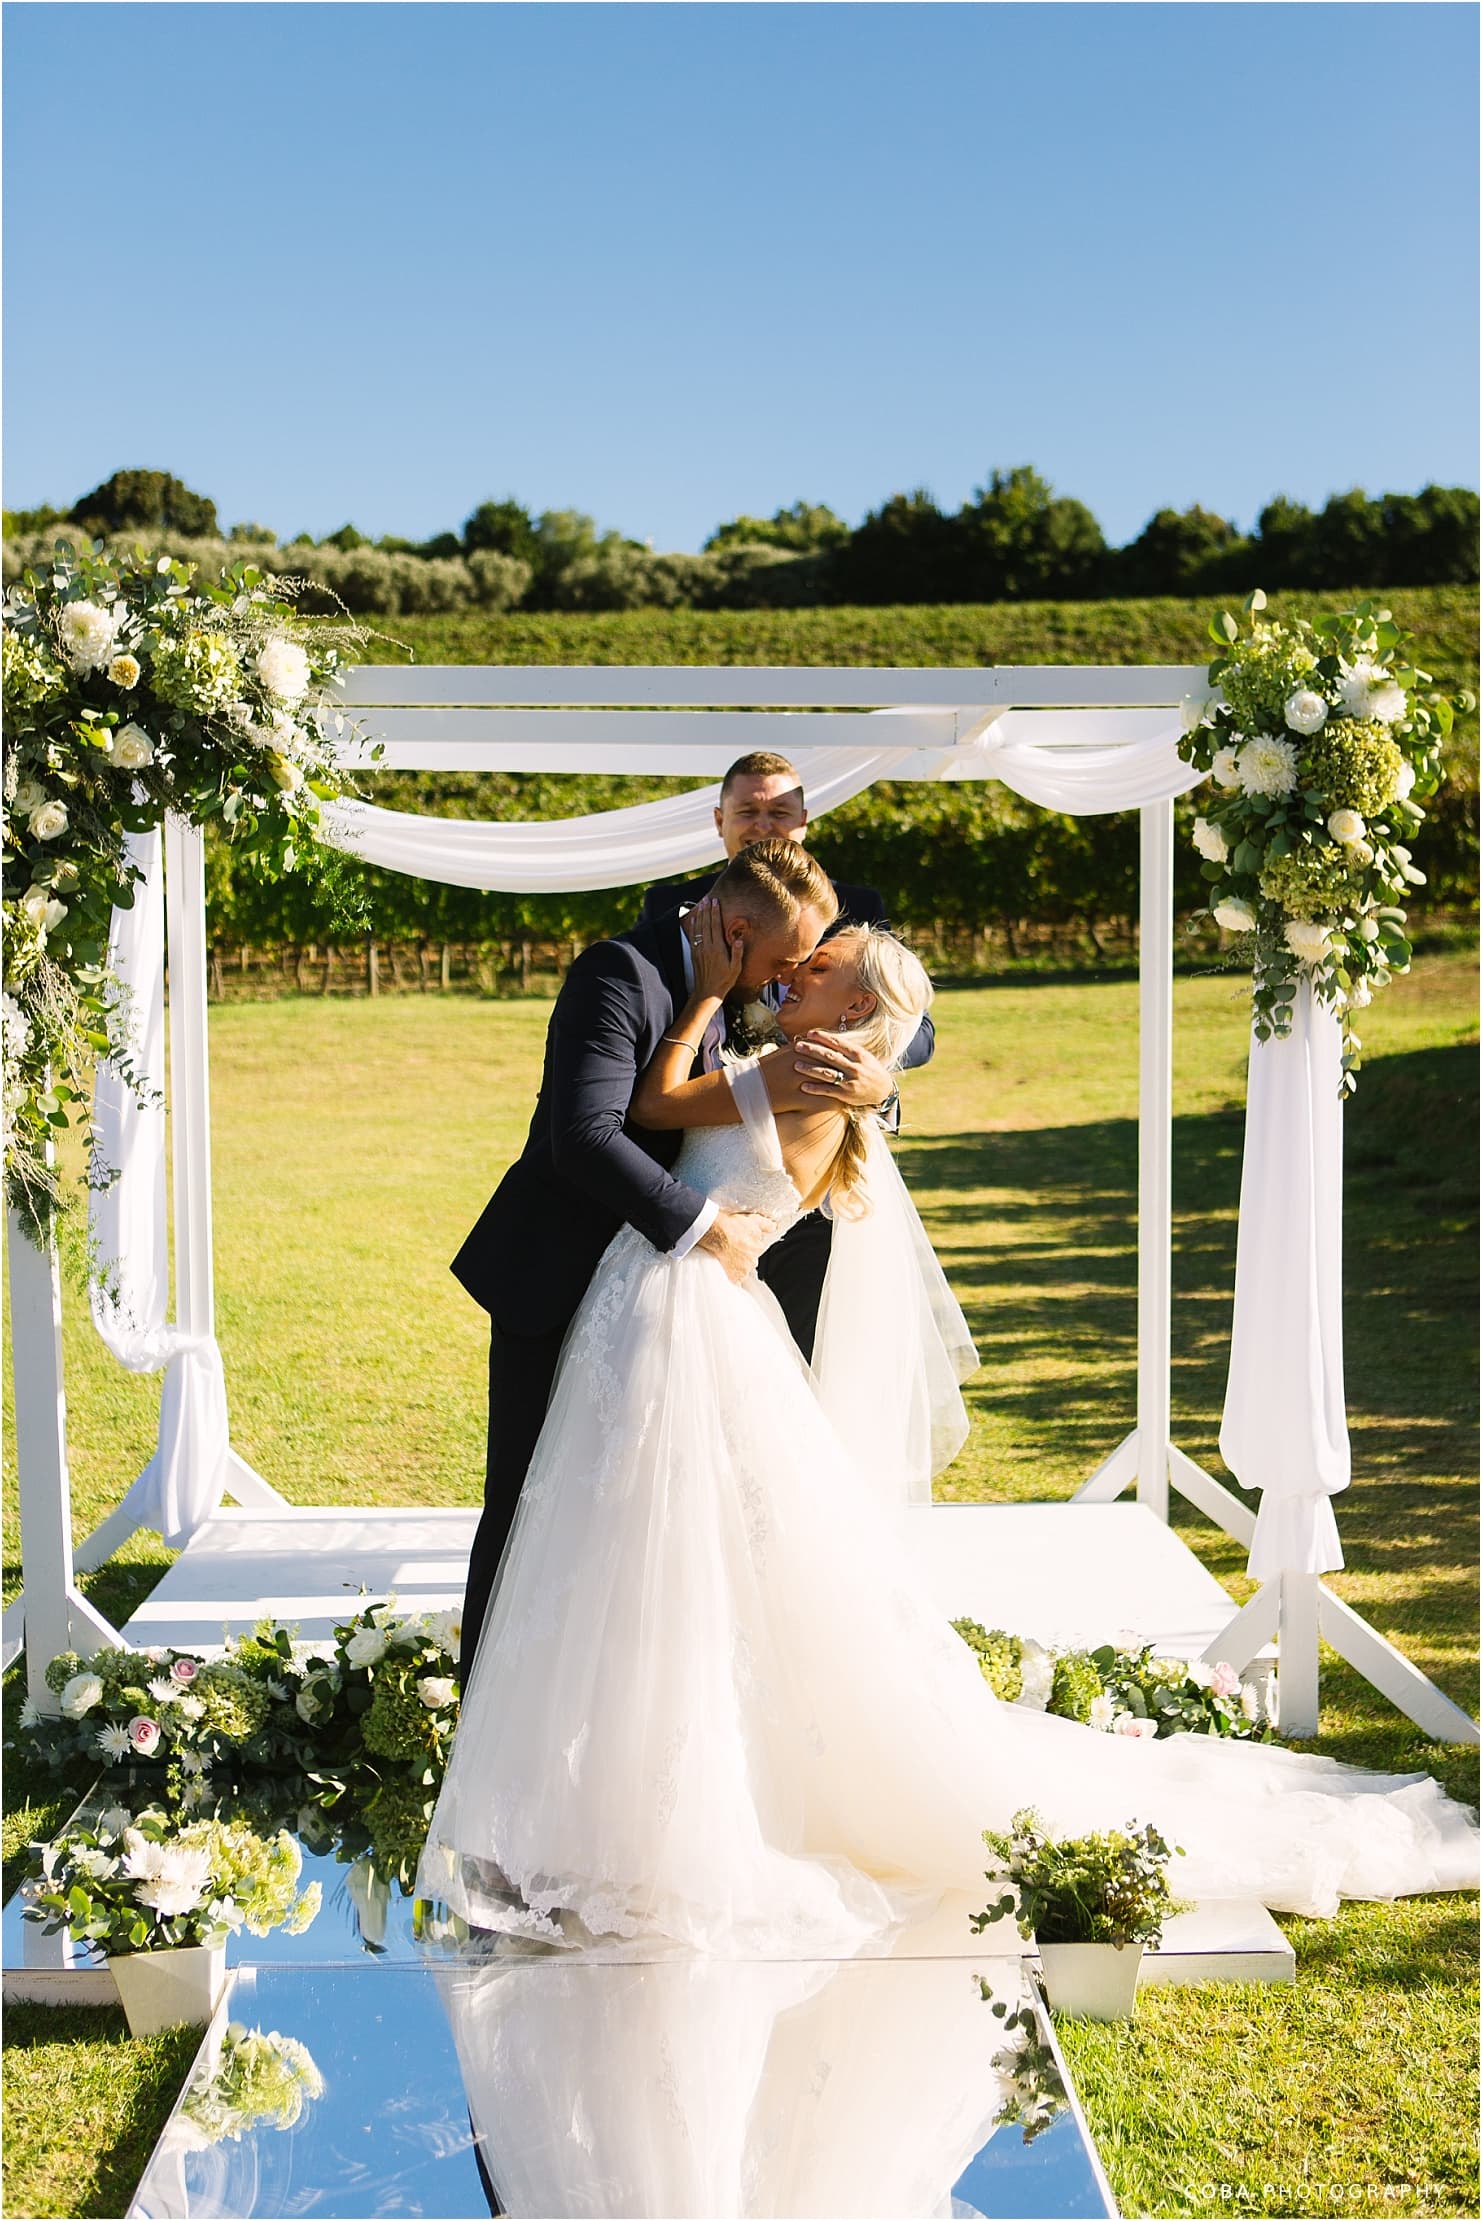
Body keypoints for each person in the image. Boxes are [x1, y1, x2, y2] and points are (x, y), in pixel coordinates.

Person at [419, 910, 1479, 1954]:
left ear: (857, 1004)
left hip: (688, 1311)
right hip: (680, 1309)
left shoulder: (806, 1072)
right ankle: (621, 1794)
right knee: (671, 1557)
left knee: (669, 1556)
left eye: (816, 968)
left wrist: (704, 993)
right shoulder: (821, 1072)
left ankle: (640, 1806)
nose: (789, 975)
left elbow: (657, 1099)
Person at [447, 838, 888, 1696]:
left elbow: (808, 1064)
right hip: (562, 1274)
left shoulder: (734, 990)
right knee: (525, 1504)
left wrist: (881, 1092)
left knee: (640, 1525)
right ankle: (487, 1718)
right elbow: (584, 1137)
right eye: (785, 957)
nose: (787, 977)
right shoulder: (621, 973)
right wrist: (705, 1227)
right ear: (732, 928)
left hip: (656, 1300)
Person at [639, 748, 934, 1362]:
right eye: (748, 810)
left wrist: (878, 1085)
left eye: (781, 811)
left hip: (808, 1190)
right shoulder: (671, 907)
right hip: (702, 1173)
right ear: (718, 819)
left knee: (795, 1357)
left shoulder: (855, 909)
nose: (764, 824)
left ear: (804, 820)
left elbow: (915, 1027)